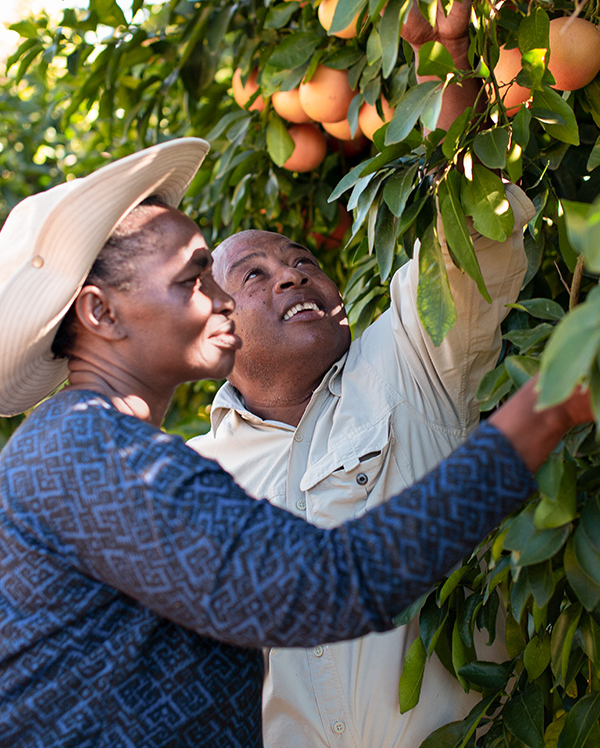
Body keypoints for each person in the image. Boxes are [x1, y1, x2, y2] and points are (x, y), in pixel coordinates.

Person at [0, 138, 591, 748]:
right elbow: (325, 584)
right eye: (193, 277)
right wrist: (544, 413)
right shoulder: (89, 454)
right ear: (101, 313)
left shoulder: (103, 452)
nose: (223, 299)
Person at [186, 0, 538, 748]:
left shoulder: (406, 364)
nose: (290, 277)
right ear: (216, 325)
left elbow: (466, 234)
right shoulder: (186, 477)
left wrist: (451, 73)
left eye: (303, 263)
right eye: (255, 275)